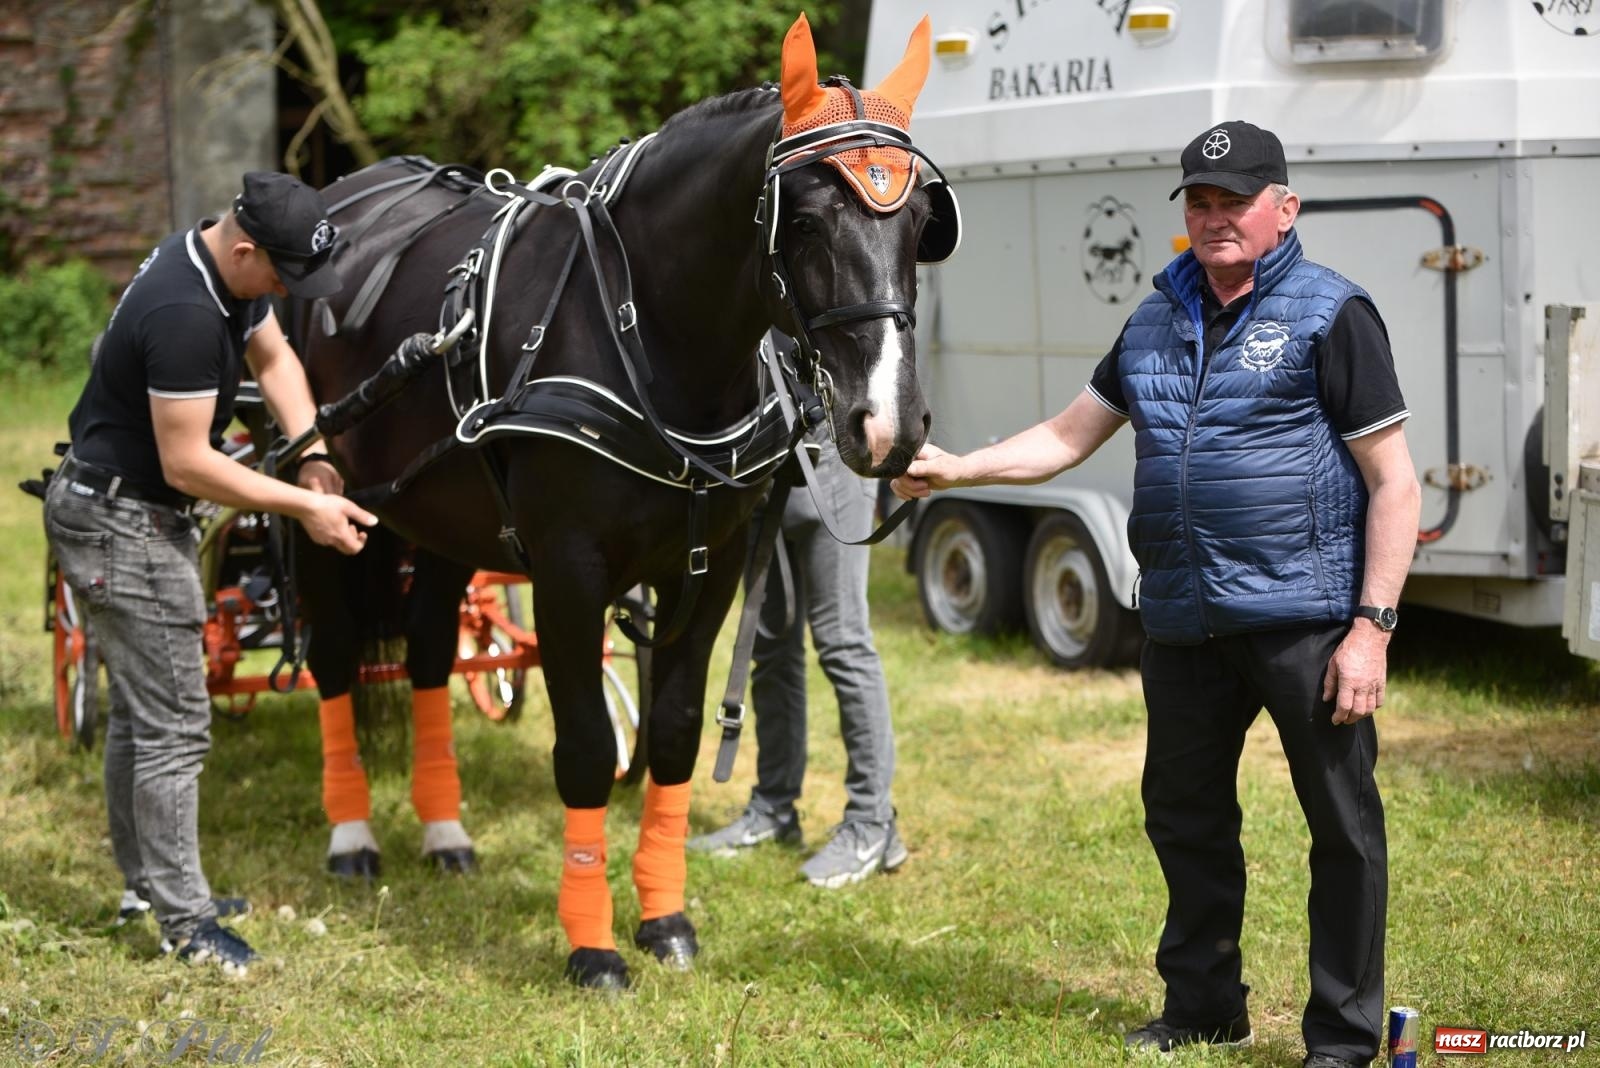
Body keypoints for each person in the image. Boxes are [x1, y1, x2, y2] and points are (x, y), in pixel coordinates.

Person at [893, 121, 1421, 1068]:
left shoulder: (1332, 313)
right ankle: (1203, 1005)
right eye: (1201, 201)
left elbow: (1395, 482)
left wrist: (1371, 629)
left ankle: (1343, 1037)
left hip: (1304, 618)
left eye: (1237, 200)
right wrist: (959, 465)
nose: (1217, 217)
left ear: (1284, 208)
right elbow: (1067, 435)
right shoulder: (1153, 320)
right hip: (1183, 620)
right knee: (1185, 819)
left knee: (1342, 828)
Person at [43, 171, 376, 975]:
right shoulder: (187, 311)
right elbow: (189, 463)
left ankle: (146, 888)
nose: (286, 291)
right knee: (176, 726)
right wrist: (307, 510)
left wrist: (314, 455)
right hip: (125, 520)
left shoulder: (220, 271)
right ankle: (187, 923)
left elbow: (277, 358)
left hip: (124, 507)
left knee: (141, 710)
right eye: (283, 275)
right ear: (245, 248)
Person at [689, 338, 906, 888]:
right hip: (757, 469)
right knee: (770, 647)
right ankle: (773, 808)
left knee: (842, 642)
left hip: (834, 459)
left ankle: (872, 822)